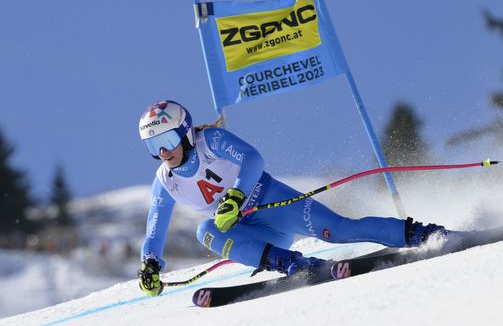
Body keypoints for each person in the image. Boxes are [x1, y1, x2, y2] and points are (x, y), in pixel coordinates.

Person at [137, 100, 447, 296]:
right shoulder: (165, 182)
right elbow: (155, 228)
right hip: (254, 234)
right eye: (154, 146)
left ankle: (421, 233)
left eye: (166, 140)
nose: (163, 152)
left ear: (186, 132)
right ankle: (293, 264)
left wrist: (235, 196)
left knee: (339, 230)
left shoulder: (210, 141)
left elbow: (253, 159)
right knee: (206, 231)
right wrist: (149, 265)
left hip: (273, 203)